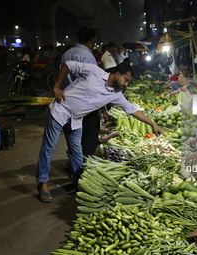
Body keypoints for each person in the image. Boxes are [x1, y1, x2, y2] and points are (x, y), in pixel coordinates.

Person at [36, 61, 163, 202]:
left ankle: (79, 180)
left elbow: (132, 110)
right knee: (48, 148)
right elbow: (68, 65)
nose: (126, 84)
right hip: (60, 111)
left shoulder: (116, 94)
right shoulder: (94, 71)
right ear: (117, 74)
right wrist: (57, 86)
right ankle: (43, 184)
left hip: (76, 120)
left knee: (76, 151)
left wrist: (152, 124)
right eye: (125, 80)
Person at [60, 27, 106, 158]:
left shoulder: (66, 54)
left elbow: (61, 78)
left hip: (69, 102)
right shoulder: (88, 56)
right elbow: (94, 84)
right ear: (92, 40)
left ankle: (74, 163)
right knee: (88, 137)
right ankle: (84, 166)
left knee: (74, 136)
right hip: (86, 103)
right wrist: (103, 109)